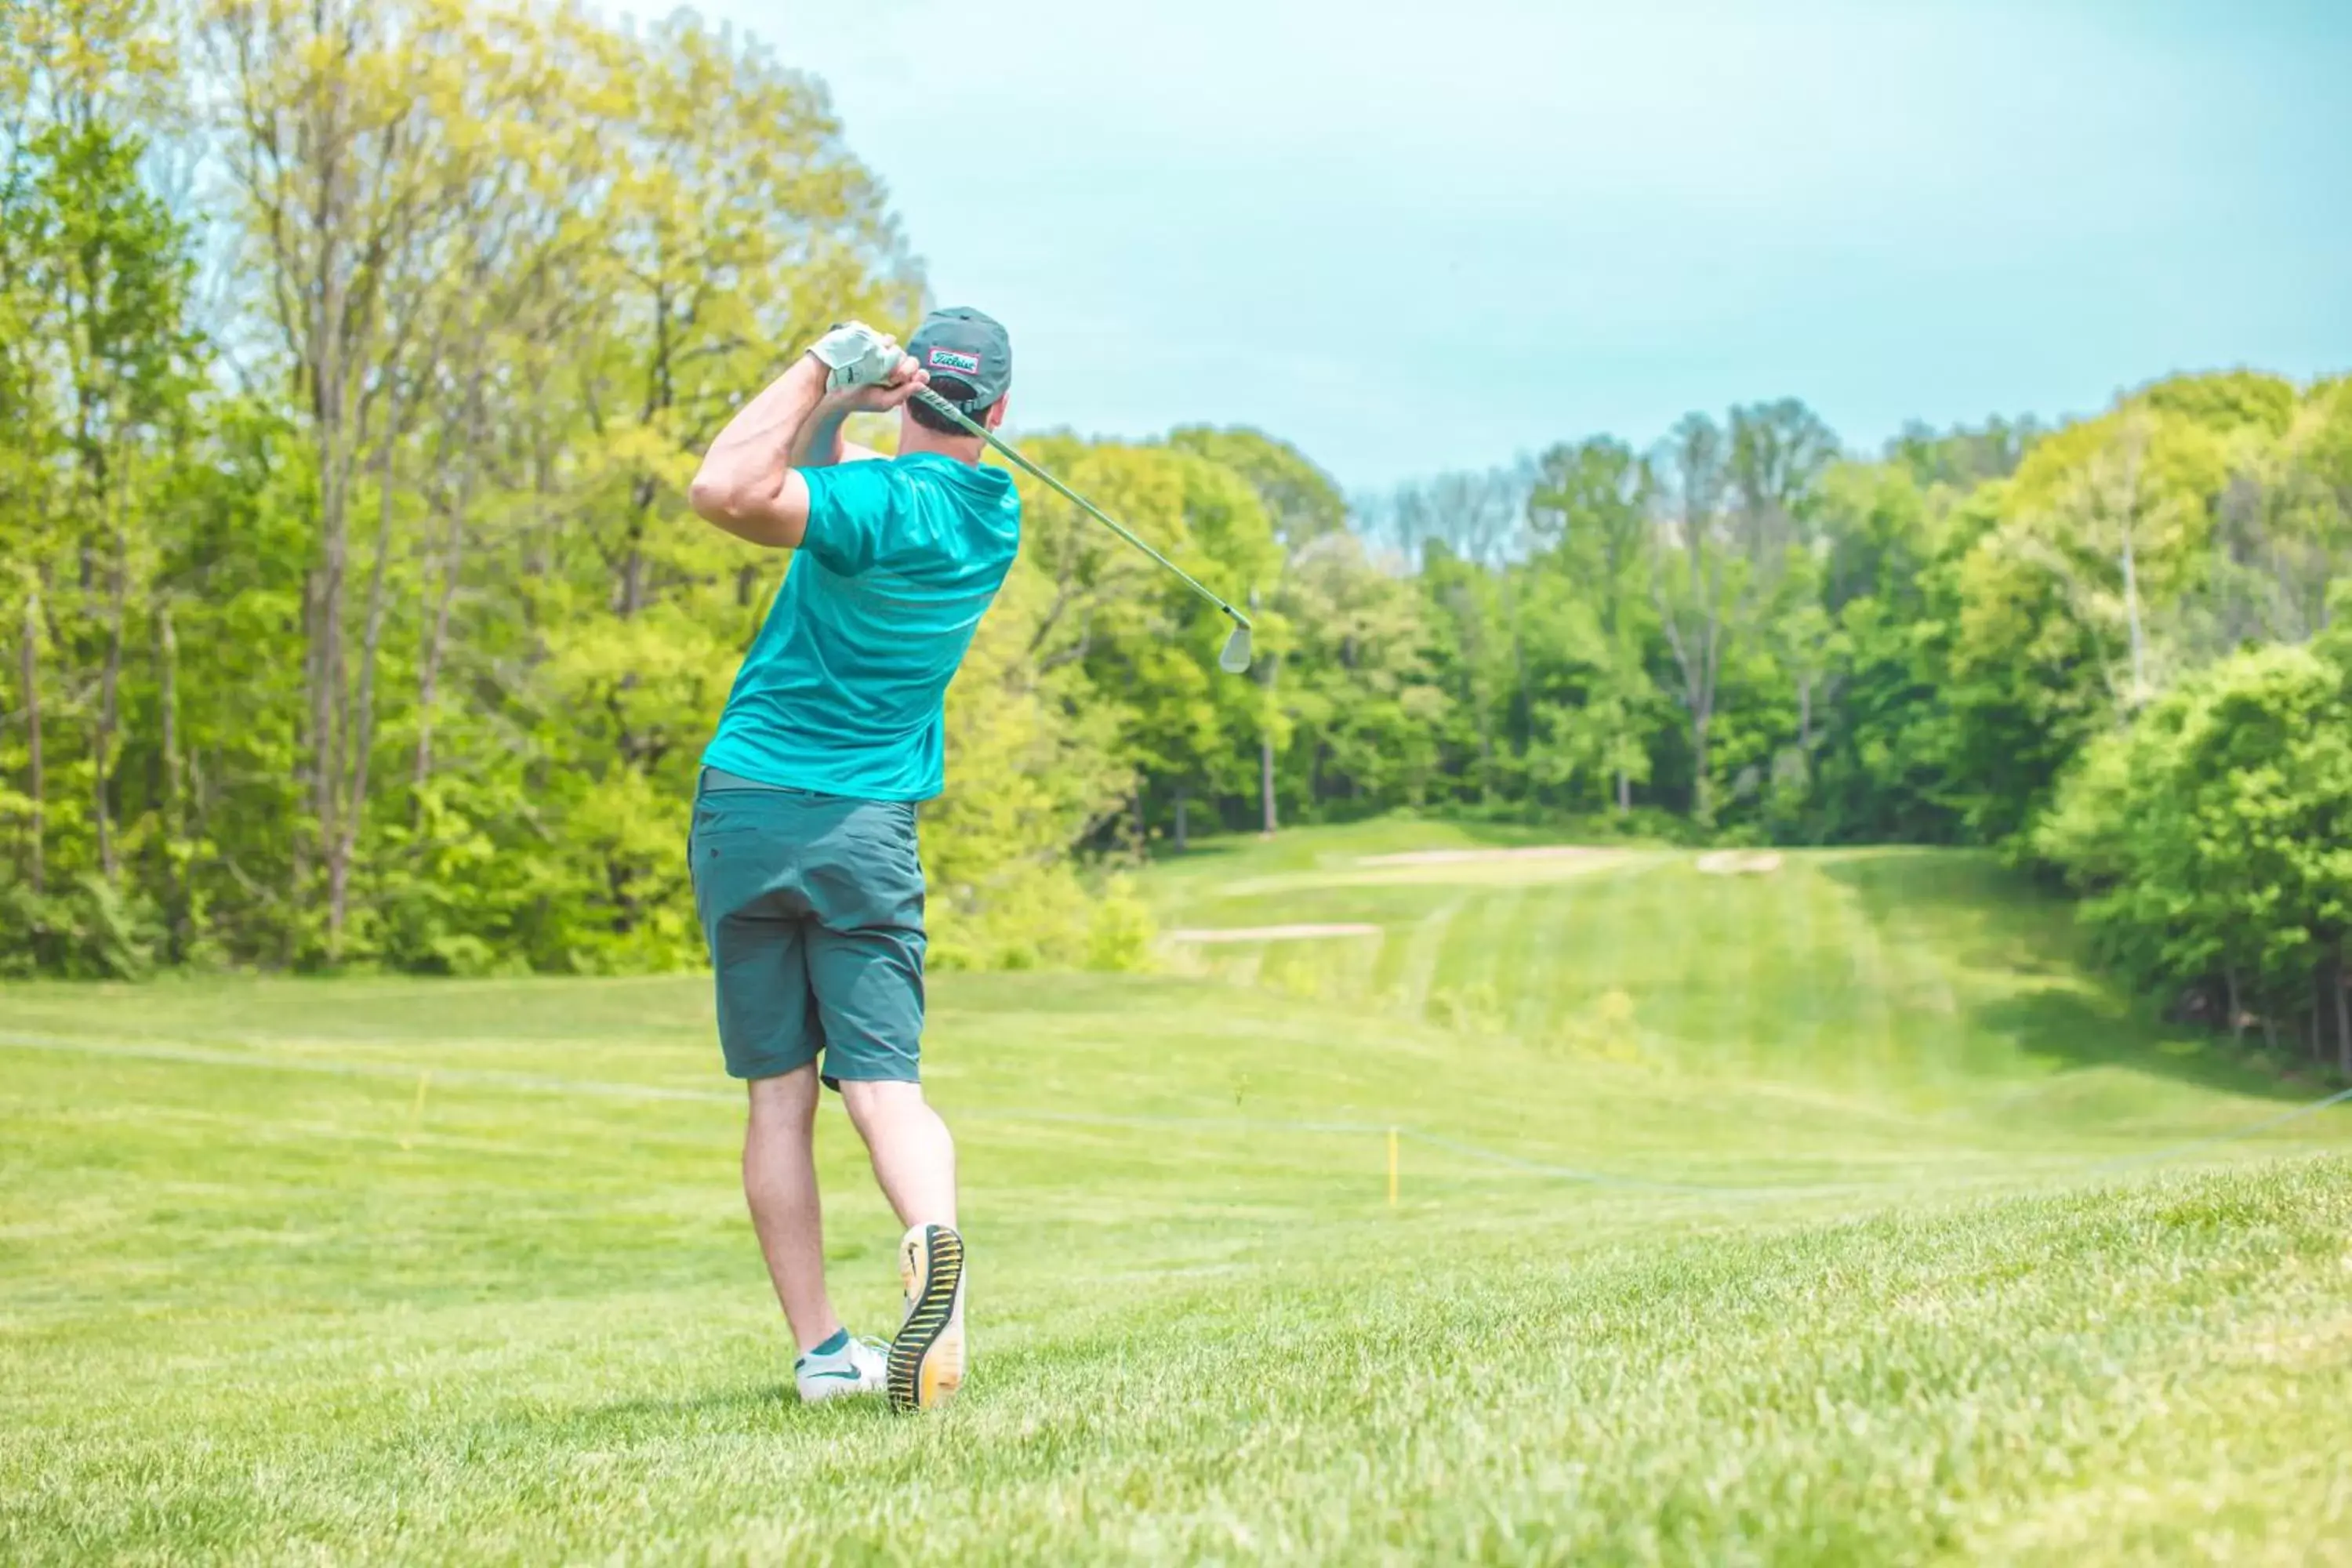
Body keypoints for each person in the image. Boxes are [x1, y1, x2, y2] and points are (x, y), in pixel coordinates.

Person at [683, 307, 1019, 1412]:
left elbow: (725, 487)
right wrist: (841, 413)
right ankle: (936, 1257)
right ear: (1000, 414)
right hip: (866, 832)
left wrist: (823, 365)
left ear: (915, 388)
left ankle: (825, 1355)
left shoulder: (875, 505)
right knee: (885, 1086)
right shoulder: (994, 519)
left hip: (750, 809)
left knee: (779, 1099)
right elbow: (844, 489)